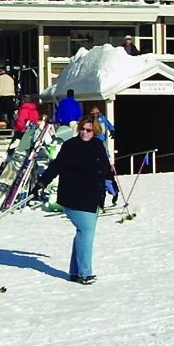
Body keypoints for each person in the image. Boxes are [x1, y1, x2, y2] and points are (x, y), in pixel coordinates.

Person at [34, 117, 112, 284]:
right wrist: (41, 182)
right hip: (74, 197)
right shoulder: (71, 146)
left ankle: (75, 272)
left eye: (88, 130)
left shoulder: (98, 146)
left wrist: (111, 183)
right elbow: (56, 166)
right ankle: (85, 273)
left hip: (93, 197)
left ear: (95, 131)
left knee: (83, 233)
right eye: (82, 129)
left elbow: (104, 168)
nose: (84, 132)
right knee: (86, 232)